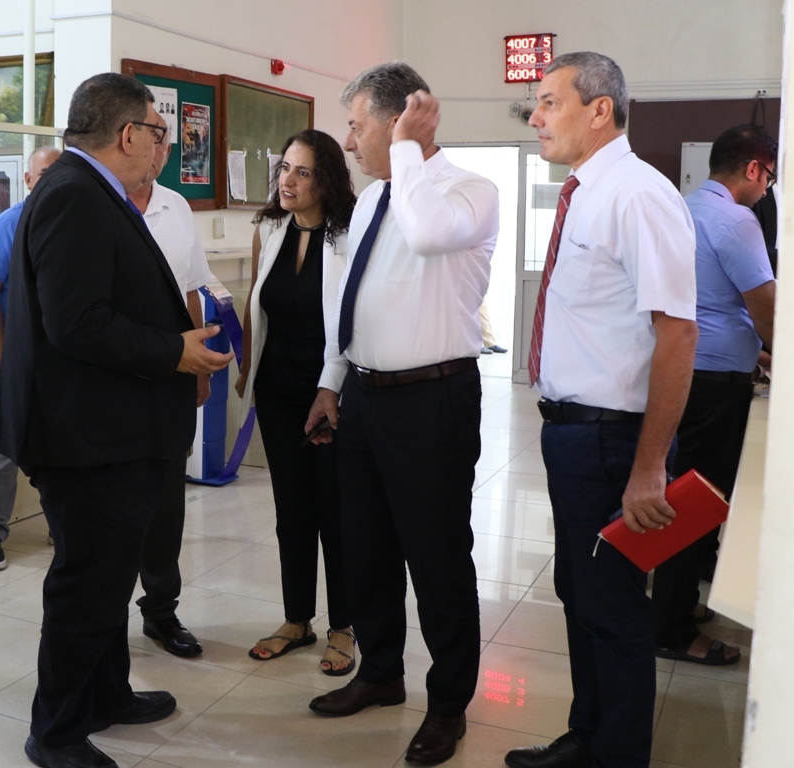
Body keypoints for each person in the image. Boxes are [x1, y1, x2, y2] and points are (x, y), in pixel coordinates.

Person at [0, 73, 234, 768]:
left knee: (108, 580)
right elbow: (76, 323)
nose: (162, 146)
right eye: (158, 133)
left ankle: (106, 695)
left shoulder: (90, 190)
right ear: (128, 134)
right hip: (87, 438)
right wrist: (172, 351)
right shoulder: (74, 195)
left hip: (108, 430)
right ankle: (57, 733)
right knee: (86, 587)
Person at [505, 52, 697, 768]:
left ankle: (616, 755)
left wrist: (649, 468)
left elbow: (677, 333)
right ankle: (587, 736)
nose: (534, 117)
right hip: (571, 435)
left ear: (599, 110)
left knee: (612, 607)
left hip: (614, 441)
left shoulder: (637, 194)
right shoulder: (584, 192)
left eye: (549, 102)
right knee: (579, 593)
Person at [305, 62, 499, 766]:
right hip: (364, 396)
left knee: (437, 557)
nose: (348, 141)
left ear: (398, 122)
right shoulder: (369, 202)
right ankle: (382, 672)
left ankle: (447, 705)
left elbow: (424, 234)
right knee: (367, 549)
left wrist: (410, 153)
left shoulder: (469, 191)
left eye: (357, 126)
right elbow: (349, 299)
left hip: (432, 401)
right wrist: (331, 382)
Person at [232, 129, 357, 675]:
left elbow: (353, 317)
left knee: (336, 512)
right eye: (284, 168)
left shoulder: (348, 236)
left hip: (331, 394)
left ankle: (344, 626)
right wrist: (247, 366)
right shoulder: (270, 229)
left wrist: (335, 387)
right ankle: (296, 619)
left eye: (302, 172)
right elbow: (256, 304)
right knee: (292, 512)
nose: (288, 180)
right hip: (278, 390)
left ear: (325, 179)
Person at [652, 124, 777, 667]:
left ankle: (677, 602)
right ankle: (671, 627)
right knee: (697, 506)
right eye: (769, 177)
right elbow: (767, 312)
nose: (768, 188)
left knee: (684, 495)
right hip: (714, 389)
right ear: (752, 169)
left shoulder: (683, 208)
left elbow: (707, 303)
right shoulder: (737, 220)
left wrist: (756, 355)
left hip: (681, 375)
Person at [129, 129, 214, 658]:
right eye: (151, 140)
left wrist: (199, 367)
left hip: (171, 376)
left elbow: (191, 290)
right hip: (114, 377)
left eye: (165, 143)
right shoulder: (98, 204)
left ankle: (161, 611)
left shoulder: (176, 206)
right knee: (114, 507)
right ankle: (99, 620)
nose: (159, 152)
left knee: (165, 504)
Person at [0, 145, 60, 570]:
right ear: (27, 179)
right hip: (15, 361)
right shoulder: (8, 225)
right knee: (1, 450)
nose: (51, 182)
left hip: (61, 363)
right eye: (43, 174)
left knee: (61, 447)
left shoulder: (72, 224)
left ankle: (61, 523)